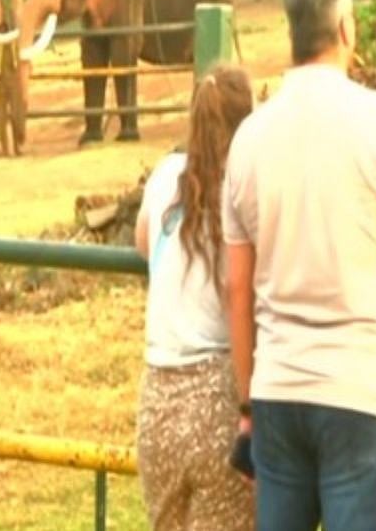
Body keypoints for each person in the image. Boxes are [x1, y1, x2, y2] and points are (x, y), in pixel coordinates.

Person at [222, 0, 376, 531]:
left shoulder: (249, 137)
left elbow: (236, 285)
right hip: (358, 393)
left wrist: (248, 403)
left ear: (291, 29)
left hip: (276, 391)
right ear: (346, 28)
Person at [134, 64, 255, 531]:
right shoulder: (242, 191)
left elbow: (145, 241)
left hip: (157, 400)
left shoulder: (166, 175)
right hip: (217, 399)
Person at [0, 21, 26, 156]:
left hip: (12, 85)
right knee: (2, 118)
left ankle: (16, 147)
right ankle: (5, 148)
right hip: (3, 85)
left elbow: (18, 66)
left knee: (14, 116)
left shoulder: (14, 48)